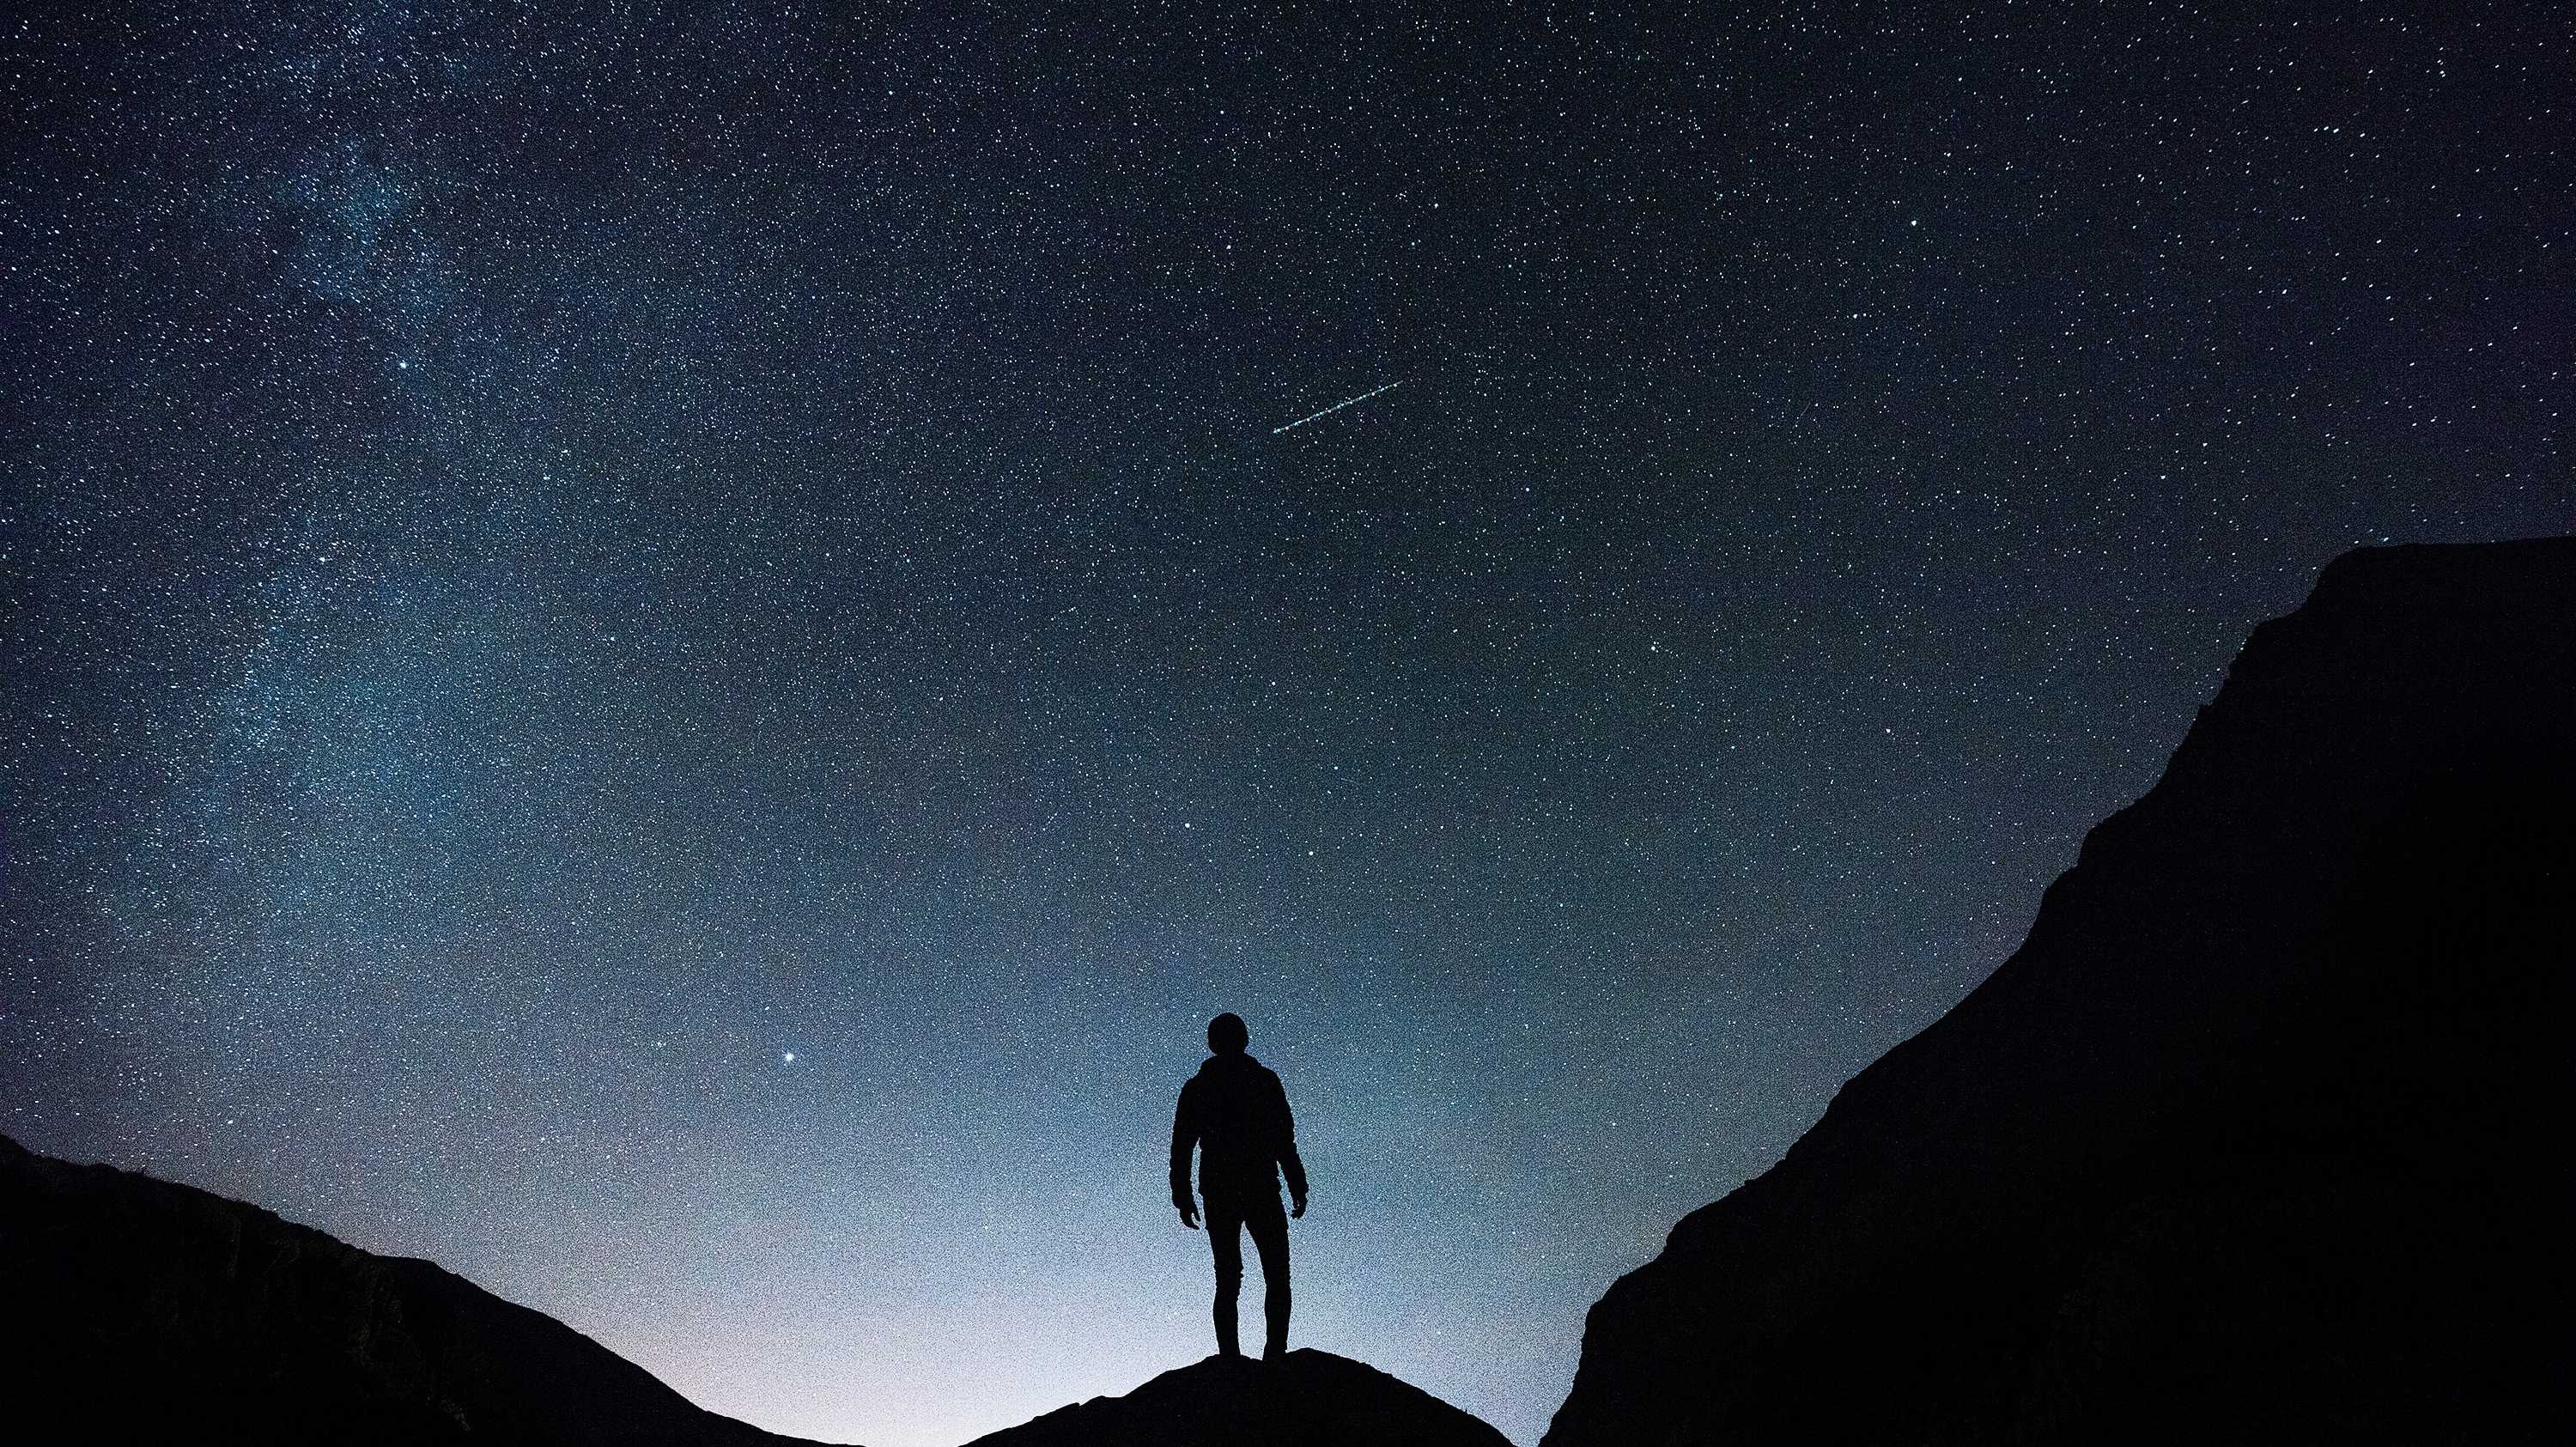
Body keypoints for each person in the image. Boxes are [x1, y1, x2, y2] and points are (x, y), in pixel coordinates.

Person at [1170, 1011, 1308, 1360]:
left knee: (1234, 1277)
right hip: (1250, 1186)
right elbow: (1283, 1140)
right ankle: (1269, 1353)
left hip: (1227, 1188)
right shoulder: (1261, 1081)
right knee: (1269, 1275)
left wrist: (1182, 1194)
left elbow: (1182, 1145)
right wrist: (1297, 1183)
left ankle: (1241, 1356)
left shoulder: (1202, 1087)